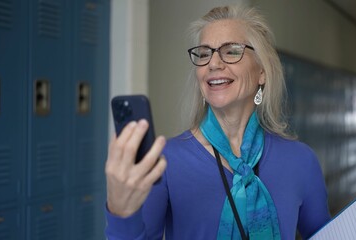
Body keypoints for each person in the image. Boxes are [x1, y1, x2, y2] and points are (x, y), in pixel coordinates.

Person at [105, 5, 330, 240]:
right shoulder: (166, 160)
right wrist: (121, 211)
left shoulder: (301, 161)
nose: (213, 63)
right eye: (204, 53)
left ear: (262, 71)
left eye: (232, 51)